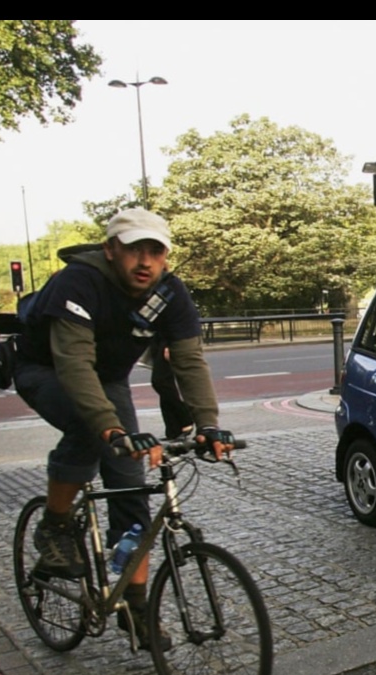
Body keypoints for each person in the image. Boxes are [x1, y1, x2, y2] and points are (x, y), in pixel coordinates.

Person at [13, 209, 234, 651]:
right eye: (135, 249)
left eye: (155, 252)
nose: (145, 262)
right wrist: (111, 431)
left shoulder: (171, 293)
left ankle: (135, 610)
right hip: (45, 368)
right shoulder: (80, 281)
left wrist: (209, 423)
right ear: (111, 249)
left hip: (107, 379)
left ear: (166, 259)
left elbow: (188, 360)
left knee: (131, 488)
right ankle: (55, 526)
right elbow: (74, 364)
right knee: (89, 429)